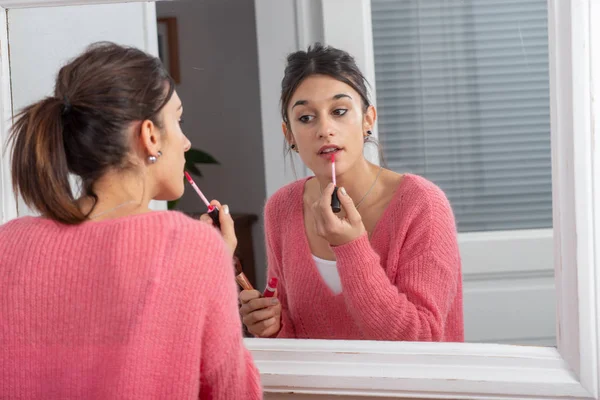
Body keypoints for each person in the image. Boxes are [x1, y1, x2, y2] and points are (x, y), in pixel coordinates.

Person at [0, 42, 261, 399]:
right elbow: (233, 392)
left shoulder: (8, 242)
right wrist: (213, 260)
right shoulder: (191, 248)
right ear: (150, 136)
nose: (185, 143)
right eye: (178, 120)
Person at [239, 43, 464, 342]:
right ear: (289, 134)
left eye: (340, 111)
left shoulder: (422, 205)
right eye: (306, 117)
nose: (325, 129)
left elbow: (422, 339)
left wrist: (351, 248)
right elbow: (294, 338)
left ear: (368, 119)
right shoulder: (282, 208)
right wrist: (272, 326)